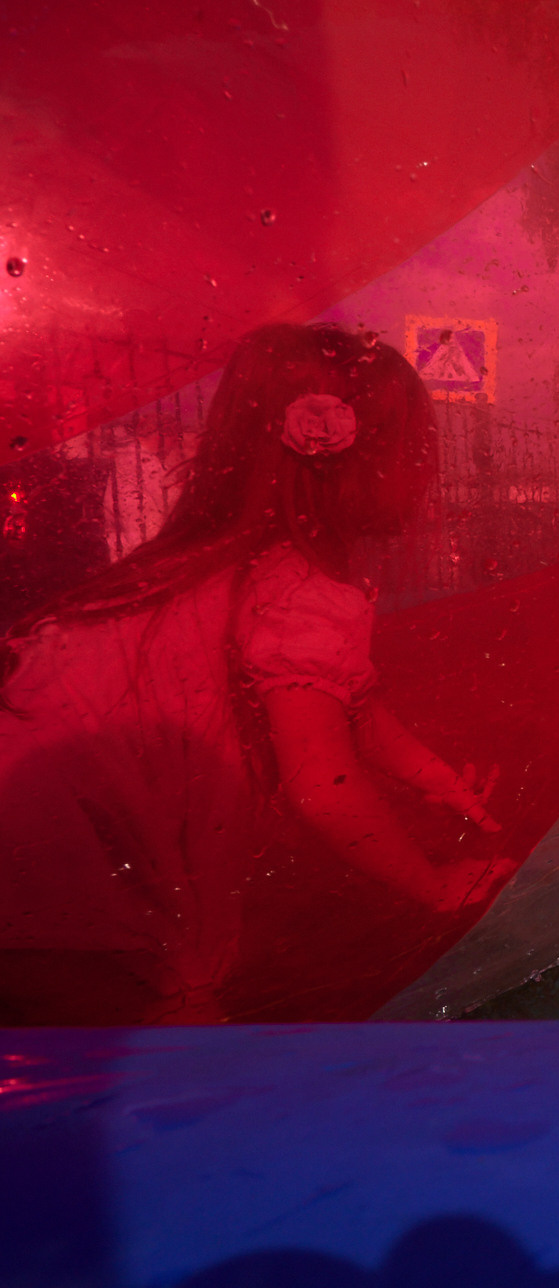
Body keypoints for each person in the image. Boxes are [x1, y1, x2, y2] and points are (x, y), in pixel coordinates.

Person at [0, 324, 510, 1023]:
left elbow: (354, 705)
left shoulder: (236, 564)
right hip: (58, 858)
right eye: (414, 450)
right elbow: (322, 785)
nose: (426, 471)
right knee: (177, 996)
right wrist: (435, 886)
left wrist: (434, 778)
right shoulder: (298, 587)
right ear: (354, 457)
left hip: (32, 806)